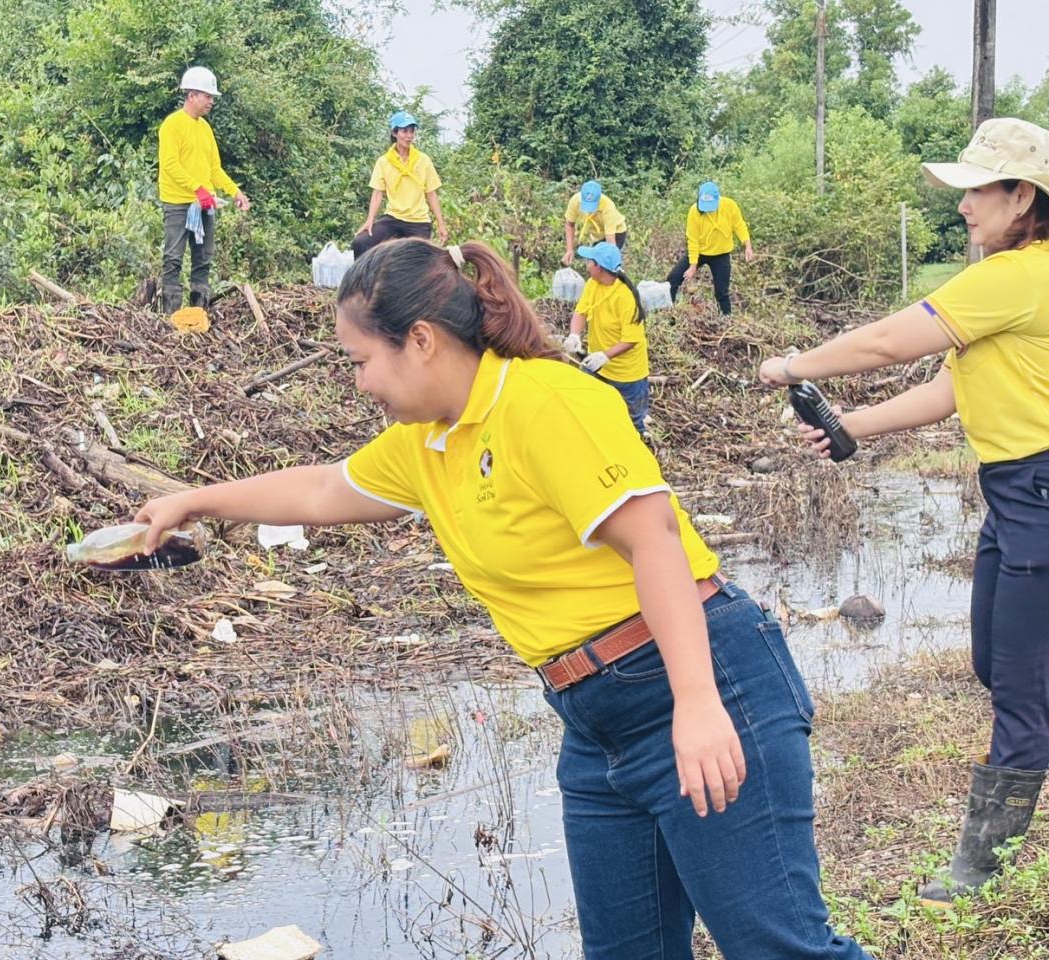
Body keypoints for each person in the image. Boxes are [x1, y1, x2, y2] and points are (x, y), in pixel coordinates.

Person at [136, 237, 870, 960]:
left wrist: (699, 705)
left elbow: (655, 542)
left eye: (361, 361)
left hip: (699, 677)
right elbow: (324, 488)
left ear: (419, 340)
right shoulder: (426, 441)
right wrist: (194, 501)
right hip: (594, 721)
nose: (359, 384)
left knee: (778, 949)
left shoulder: (545, 403)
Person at [759, 116, 1049, 907]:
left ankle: (980, 873)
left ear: (1022, 197)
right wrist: (851, 427)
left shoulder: (1015, 277)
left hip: (1039, 492)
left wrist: (790, 364)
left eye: (976, 191)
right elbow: (955, 389)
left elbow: (892, 341)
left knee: (1020, 687)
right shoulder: (1015, 283)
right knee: (997, 663)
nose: (962, 207)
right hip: (1014, 494)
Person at [157, 66, 250, 314]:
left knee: (203, 261)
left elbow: (214, 169)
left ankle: (199, 312)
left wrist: (234, 191)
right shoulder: (172, 125)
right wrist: (197, 189)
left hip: (205, 203)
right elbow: (170, 165)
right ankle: (171, 315)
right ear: (192, 95)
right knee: (173, 259)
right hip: (178, 203)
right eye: (207, 96)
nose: (211, 101)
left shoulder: (205, 128)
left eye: (211, 97)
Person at [562, 241, 650, 438]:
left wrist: (605, 356)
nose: (586, 265)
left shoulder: (625, 298)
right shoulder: (593, 285)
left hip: (627, 373)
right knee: (591, 407)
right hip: (597, 365)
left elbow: (631, 339)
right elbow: (581, 311)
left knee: (633, 421)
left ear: (598, 267)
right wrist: (574, 334)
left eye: (589, 261)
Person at [353, 111, 448, 258]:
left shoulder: (423, 160)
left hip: (419, 222)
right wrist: (370, 220)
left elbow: (431, 193)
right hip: (393, 218)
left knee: (416, 261)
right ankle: (362, 281)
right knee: (361, 242)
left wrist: (441, 224)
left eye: (412, 131)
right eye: (404, 131)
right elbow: (378, 193)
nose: (409, 136)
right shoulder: (384, 162)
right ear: (395, 133)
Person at [668, 181, 754, 315]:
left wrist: (747, 245)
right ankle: (669, 314)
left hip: (721, 254)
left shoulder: (729, 206)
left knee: (722, 292)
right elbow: (693, 240)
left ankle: (726, 320)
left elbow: (739, 225)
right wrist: (693, 265)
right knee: (673, 279)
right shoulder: (694, 211)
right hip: (700, 252)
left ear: (717, 199)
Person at [562, 180, 628, 265]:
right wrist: (569, 250)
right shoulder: (575, 201)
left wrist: (611, 262)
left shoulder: (608, 207)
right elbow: (570, 224)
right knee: (593, 263)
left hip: (616, 233)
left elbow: (610, 244)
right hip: (598, 236)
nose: (589, 210)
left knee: (603, 263)